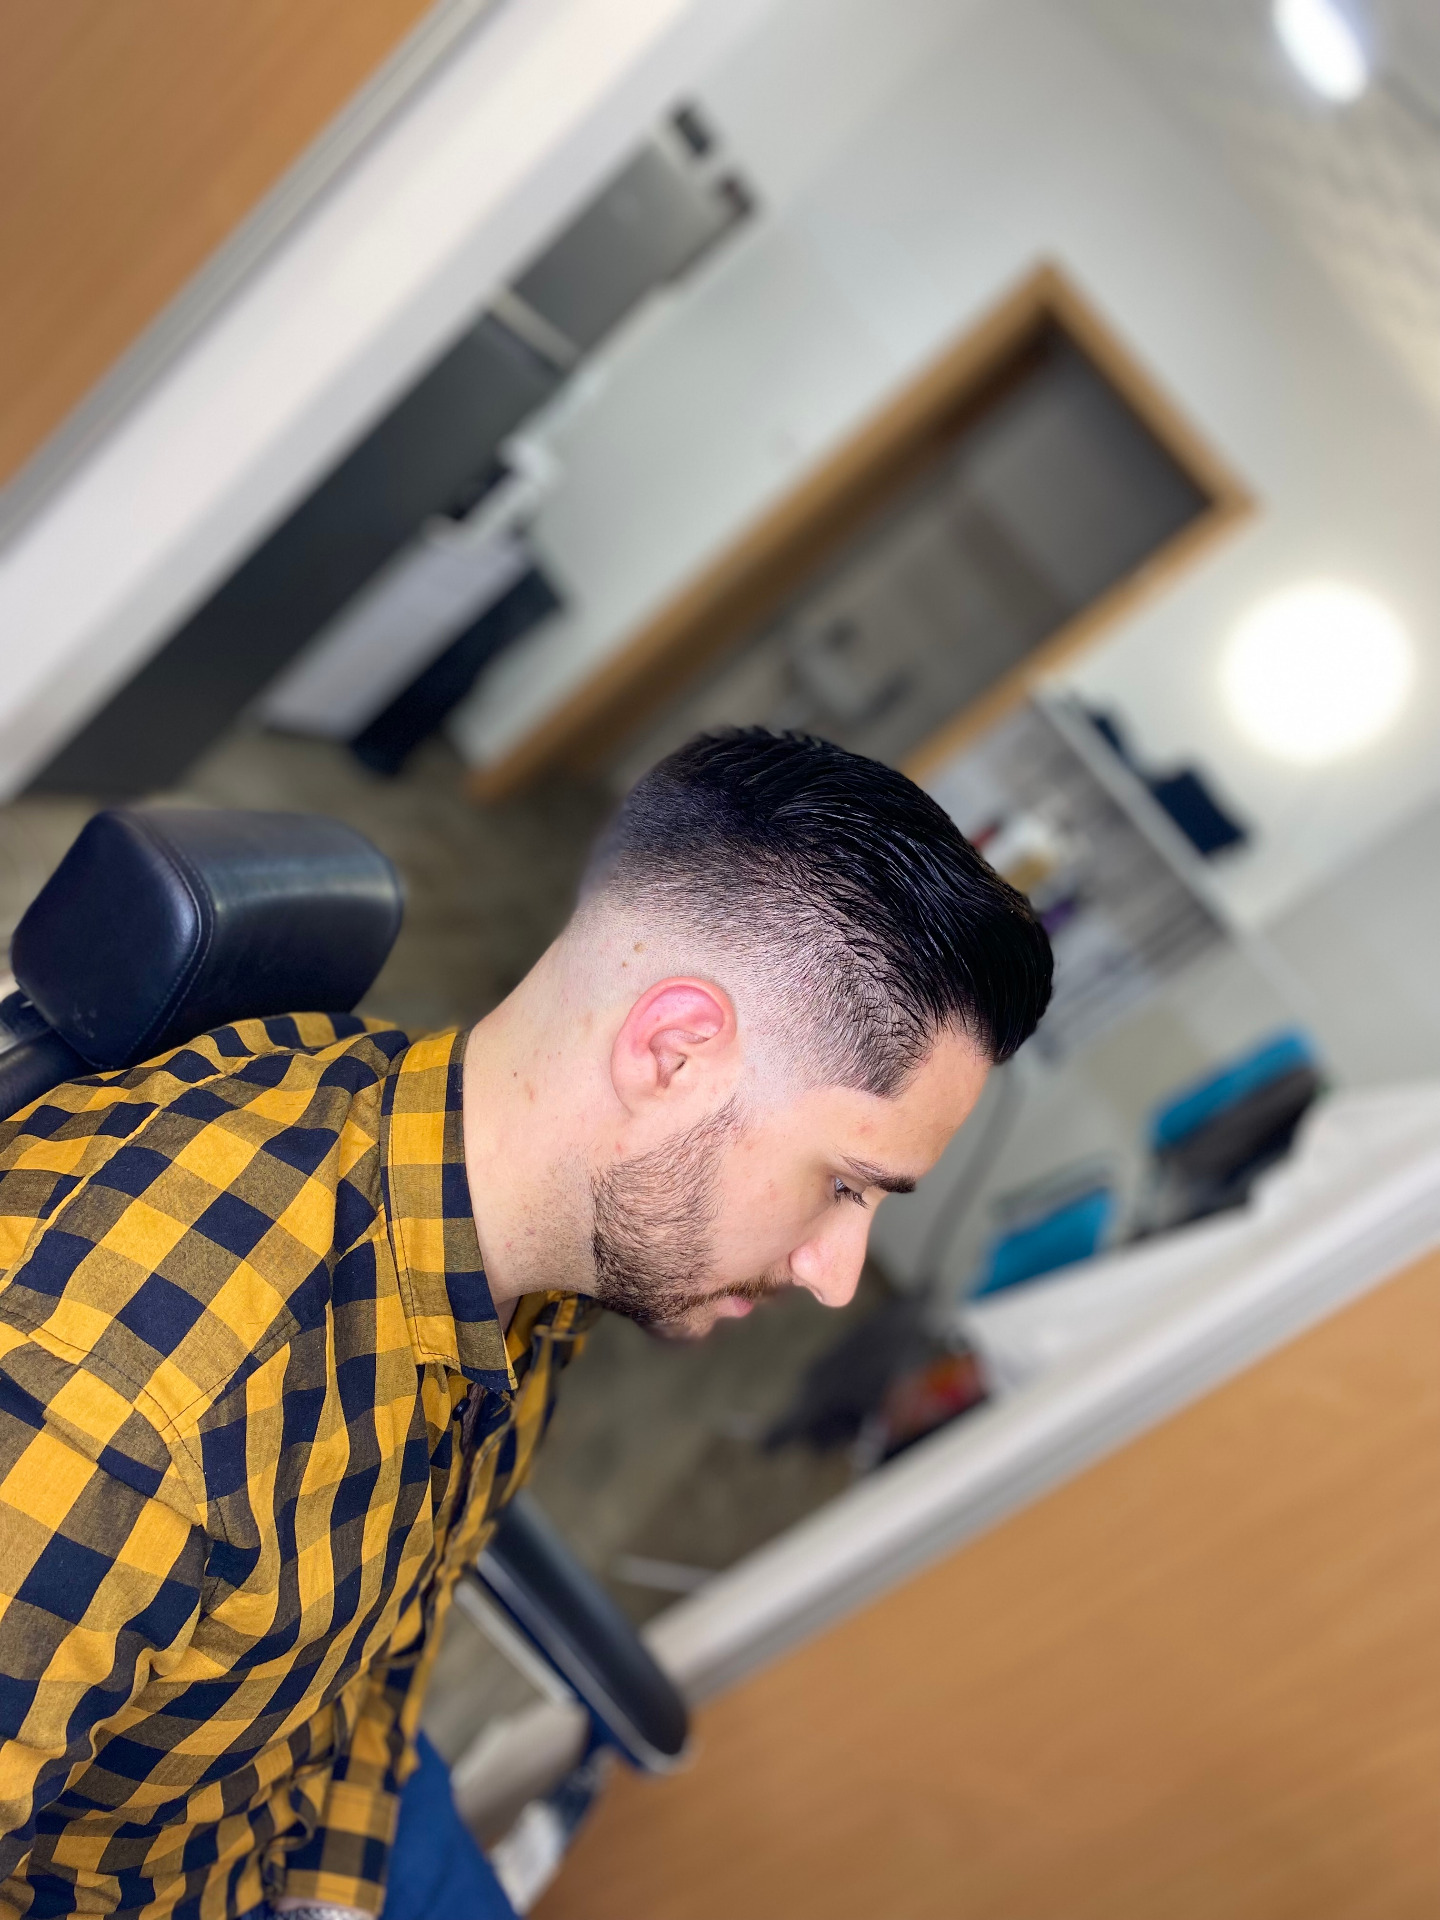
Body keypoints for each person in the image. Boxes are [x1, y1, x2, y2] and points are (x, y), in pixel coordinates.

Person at [0, 728, 1052, 1920]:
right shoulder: (127, 1406)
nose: (837, 1274)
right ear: (674, 1054)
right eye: (845, 1185)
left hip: (306, 1779)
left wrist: (333, 1895)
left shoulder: (524, 1237)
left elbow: (379, 1639)